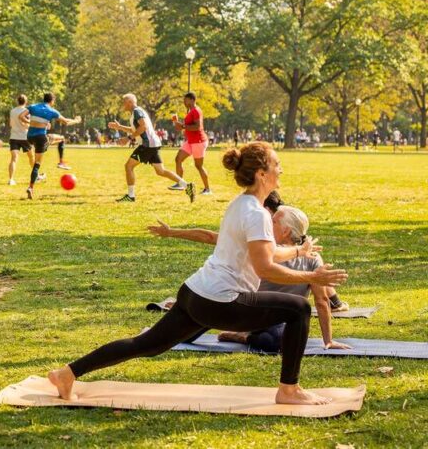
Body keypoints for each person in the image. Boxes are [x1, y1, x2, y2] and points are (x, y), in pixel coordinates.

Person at [47, 142, 348, 406]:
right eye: (276, 164)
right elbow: (265, 267)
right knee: (298, 308)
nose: (281, 169)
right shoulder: (256, 213)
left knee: (148, 345)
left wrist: (298, 252)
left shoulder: (243, 204)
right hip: (221, 300)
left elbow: (266, 252)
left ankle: (67, 374)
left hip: (195, 292)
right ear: (261, 173)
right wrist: (312, 278)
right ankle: (289, 389)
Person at [148, 204, 351, 352]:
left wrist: (328, 341)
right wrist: (171, 232)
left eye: (273, 220)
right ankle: (159, 331)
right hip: (234, 307)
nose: (267, 221)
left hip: (268, 319)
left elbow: (322, 301)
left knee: (274, 343)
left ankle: (241, 336)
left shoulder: (311, 258)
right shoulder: (256, 245)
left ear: (286, 230)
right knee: (183, 336)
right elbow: (210, 237)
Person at [108, 93, 193, 203]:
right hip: (153, 144)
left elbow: (143, 127)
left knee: (128, 166)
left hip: (147, 145)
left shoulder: (137, 112)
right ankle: (187, 186)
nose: (123, 105)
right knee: (161, 171)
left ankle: (131, 196)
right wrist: (120, 127)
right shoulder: (137, 112)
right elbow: (136, 129)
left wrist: (128, 139)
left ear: (130, 102)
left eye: (124, 102)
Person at [25, 93, 80, 200]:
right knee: (38, 163)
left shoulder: (33, 106)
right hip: (41, 138)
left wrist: (31, 123)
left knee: (49, 139)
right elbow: (66, 122)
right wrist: (77, 120)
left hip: (30, 137)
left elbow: (21, 116)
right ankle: (60, 162)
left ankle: (31, 188)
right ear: (52, 101)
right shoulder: (52, 111)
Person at [172, 91, 212, 195]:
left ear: (192, 100)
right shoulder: (190, 111)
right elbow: (188, 127)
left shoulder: (196, 111)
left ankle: (207, 189)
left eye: (186, 100)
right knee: (178, 159)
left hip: (198, 141)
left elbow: (197, 127)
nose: (184, 102)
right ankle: (180, 183)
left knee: (198, 166)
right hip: (190, 141)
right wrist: (180, 125)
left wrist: (183, 126)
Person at [7, 94, 33, 186]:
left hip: (13, 137)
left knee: (13, 159)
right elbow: (26, 125)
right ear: (26, 102)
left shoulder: (12, 111)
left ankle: (11, 179)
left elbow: (10, 124)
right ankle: (35, 176)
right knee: (31, 157)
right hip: (25, 137)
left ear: (17, 101)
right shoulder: (27, 112)